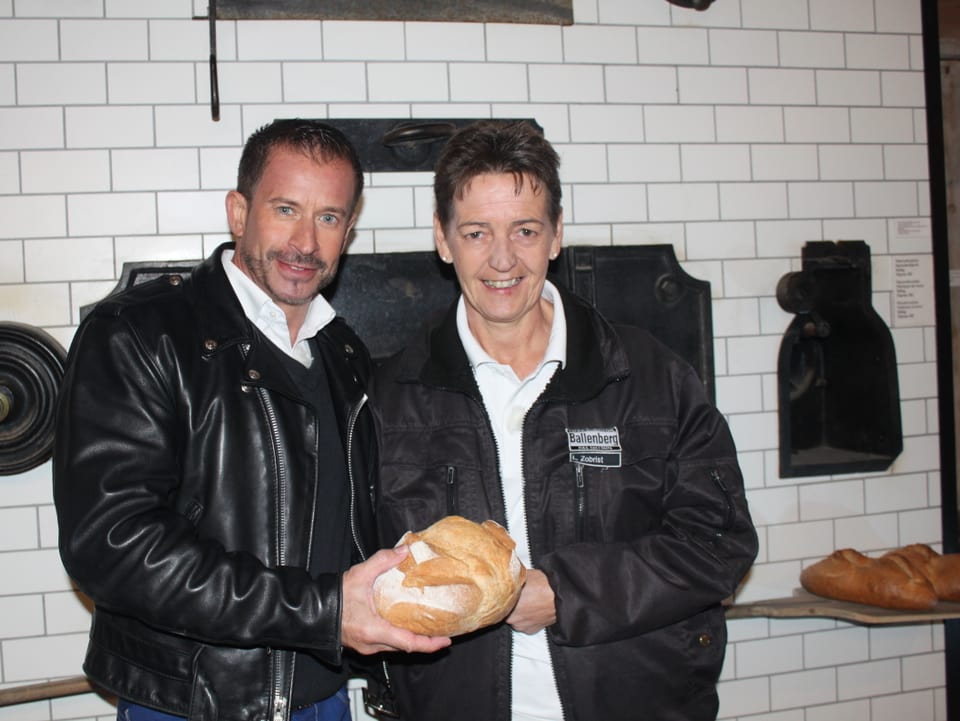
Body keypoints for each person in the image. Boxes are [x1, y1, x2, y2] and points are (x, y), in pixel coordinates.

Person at [53, 118, 449, 721]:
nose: (306, 242)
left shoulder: (344, 353)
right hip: (198, 703)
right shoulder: (142, 333)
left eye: (329, 217)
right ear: (239, 212)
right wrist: (323, 612)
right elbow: (113, 546)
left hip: (325, 699)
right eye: (286, 208)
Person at [371, 119, 759, 721]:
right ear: (443, 241)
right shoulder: (391, 397)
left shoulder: (648, 376)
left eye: (525, 230)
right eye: (476, 233)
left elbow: (719, 543)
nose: (502, 259)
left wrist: (566, 594)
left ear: (555, 236)